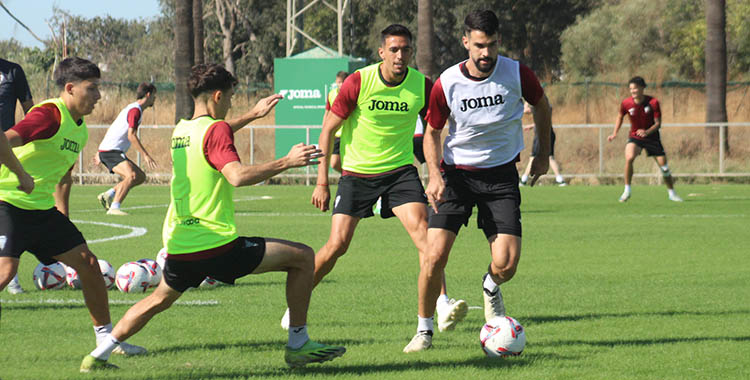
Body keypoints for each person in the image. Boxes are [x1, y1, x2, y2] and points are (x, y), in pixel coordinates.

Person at [80, 63, 345, 372]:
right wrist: (287, 161)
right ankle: (298, 344)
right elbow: (236, 175)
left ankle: (97, 356)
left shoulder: (182, 129)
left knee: (157, 300)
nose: (232, 103)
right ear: (218, 95)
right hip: (216, 245)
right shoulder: (214, 130)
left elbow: (214, 134)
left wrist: (253, 115)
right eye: (231, 97)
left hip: (181, 244)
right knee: (303, 257)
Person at [284, 24, 468, 338]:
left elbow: (438, 126)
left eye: (405, 50)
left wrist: (441, 171)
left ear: (411, 53)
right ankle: (296, 303)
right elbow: (328, 130)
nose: (400, 56)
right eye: (393, 50)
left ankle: (441, 303)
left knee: (426, 237)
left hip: (399, 173)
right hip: (356, 174)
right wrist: (321, 182)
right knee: (336, 246)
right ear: (381, 52)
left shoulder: (422, 86)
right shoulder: (359, 81)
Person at [405, 10, 552, 352]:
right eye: (480, 46)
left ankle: (489, 286)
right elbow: (432, 132)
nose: (487, 54)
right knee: (433, 256)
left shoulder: (517, 73)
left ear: (500, 41)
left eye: (493, 45)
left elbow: (543, 107)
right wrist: (434, 174)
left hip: (501, 177)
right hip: (456, 177)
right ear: (466, 42)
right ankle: (424, 330)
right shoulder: (448, 82)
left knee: (507, 264)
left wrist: (542, 153)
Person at [0, 56, 147, 359]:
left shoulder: (79, 130)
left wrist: (61, 217)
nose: (98, 96)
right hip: (7, 203)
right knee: (5, 273)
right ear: (70, 88)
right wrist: (20, 174)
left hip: (42, 212)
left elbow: (63, 178)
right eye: (92, 89)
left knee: (89, 265)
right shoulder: (48, 115)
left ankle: (106, 342)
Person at [607, 76, 682, 202]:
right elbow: (620, 116)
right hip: (635, 137)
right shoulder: (626, 103)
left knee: (664, 168)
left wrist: (647, 132)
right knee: (629, 157)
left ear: (642, 88)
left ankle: (672, 193)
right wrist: (614, 133)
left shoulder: (653, 102)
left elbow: (658, 124)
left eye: (635, 88)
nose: (633, 91)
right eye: (631, 89)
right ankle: (627, 190)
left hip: (652, 137)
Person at [95, 82, 158, 215]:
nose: (155, 99)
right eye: (154, 96)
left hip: (110, 150)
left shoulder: (133, 109)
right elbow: (131, 135)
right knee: (131, 175)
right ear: (148, 94)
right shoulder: (135, 110)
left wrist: (99, 150)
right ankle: (114, 207)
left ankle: (109, 194)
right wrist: (145, 155)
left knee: (140, 176)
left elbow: (115, 129)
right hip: (111, 151)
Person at [1, 58, 35, 294]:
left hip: (5, 153)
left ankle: (8, 274)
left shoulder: (13, 71)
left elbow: (31, 113)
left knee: (8, 212)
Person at [520, 102, 566, 186]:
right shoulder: (547, 106)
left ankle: (523, 180)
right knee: (550, 157)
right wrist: (532, 126)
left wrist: (526, 102)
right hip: (549, 133)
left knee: (533, 157)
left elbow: (525, 110)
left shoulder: (538, 105)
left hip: (541, 135)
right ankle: (560, 180)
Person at [325, 71, 348, 173]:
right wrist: (324, 129)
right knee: (334, 163)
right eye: (339, 82)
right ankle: (347, 176)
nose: (341, 84)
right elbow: (327, 112)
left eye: (343, 82)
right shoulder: (331, 94)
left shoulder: (352, 93)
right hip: (336, 135)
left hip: (348, 134)